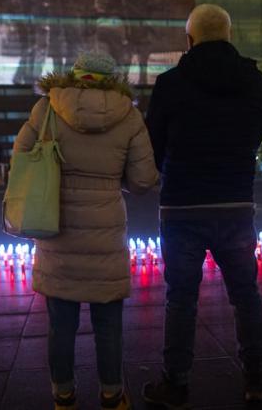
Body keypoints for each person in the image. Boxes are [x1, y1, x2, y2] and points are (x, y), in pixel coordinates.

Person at [13, 52, 159, 410]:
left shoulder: (47, 108)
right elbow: (143, 180)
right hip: (105, 233)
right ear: (111, 78)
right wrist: (112, 177)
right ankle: (111, 393)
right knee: (108, 324)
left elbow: (21, 157)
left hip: (56, 227)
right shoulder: (129, 115)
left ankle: (63, 393)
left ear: (76, 74)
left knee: (60, 324)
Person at [143, 4, 262, 406]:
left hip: (182, 207)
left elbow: (154, 146)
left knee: (181, 297)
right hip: (235, 204)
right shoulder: (253, 80)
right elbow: (258, 131)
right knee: (245, 294)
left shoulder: (171, 83)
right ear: (229, 36)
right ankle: (255, 380)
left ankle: (176, 383)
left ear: (190, 39)